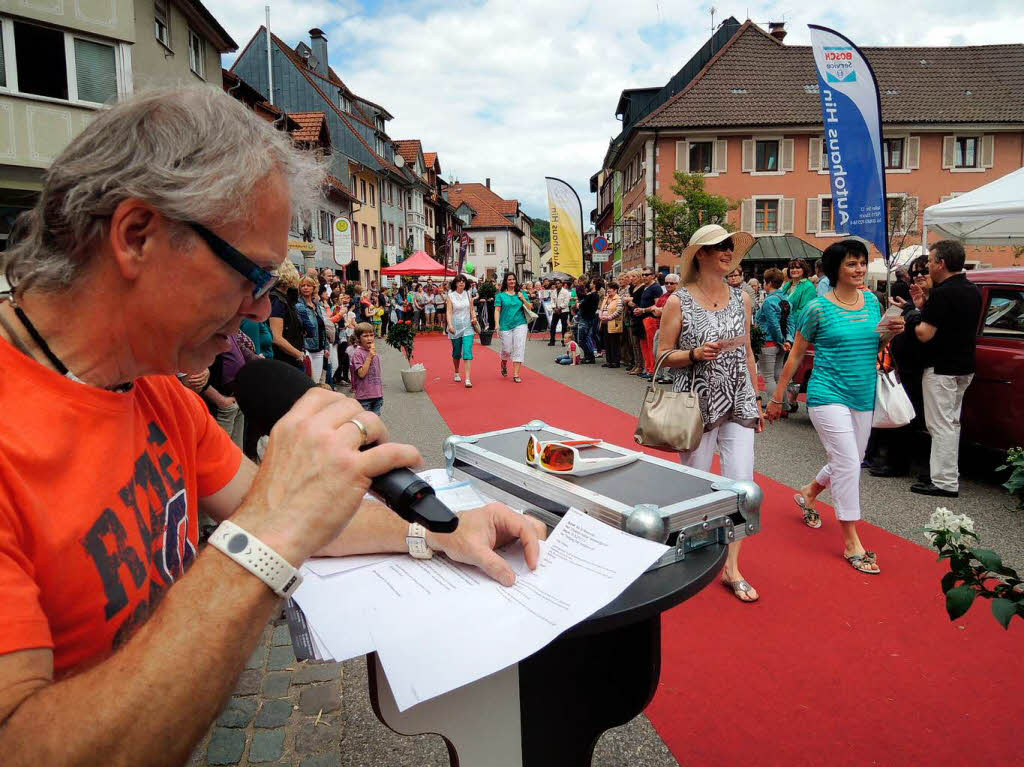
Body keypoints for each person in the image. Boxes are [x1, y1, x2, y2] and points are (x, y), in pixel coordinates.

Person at [0, 86, 547, 766]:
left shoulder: (156, 393)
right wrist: (269, 532)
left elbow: (296, 509)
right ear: (136, 235)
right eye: (253, 274)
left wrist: (436, 531)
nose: (263, 309)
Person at [765, 240, 904, 575]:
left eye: (862, 263)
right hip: (828, 394)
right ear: (835, 269)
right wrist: (776, 396)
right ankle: (852, 538)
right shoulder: (817, 308)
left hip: (863, 393)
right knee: (846, 464)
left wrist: (892, 334)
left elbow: (875, 343)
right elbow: (796, 354)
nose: (859, 270)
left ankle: (809, 492)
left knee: (850, 460)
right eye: (852, 264)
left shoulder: (872, 301)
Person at [657, 224, 762, 602]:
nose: (727, 251)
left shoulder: (742, 299)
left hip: (738, 399)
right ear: (699, 253)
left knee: (742, 483)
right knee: (696, 479)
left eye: (730, 246)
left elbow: (747, 350)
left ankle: (732, 566)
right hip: (696, 402)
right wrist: (695, 354)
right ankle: (689, 542)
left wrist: (756, 395)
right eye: (719, 246)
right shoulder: (678, 301)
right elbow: (663, 356)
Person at [905, 240, 983, 498]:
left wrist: (912, 315)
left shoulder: (944, 292)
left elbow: (925, 334)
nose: (927, 266)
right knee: (951, 423)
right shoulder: (972, 289)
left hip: (942, 368)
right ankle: (948, 476)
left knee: (940, 425)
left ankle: (944, 481)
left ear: (941, 263)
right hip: (964, 366)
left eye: (930, 261)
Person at [868, 255, 932, 478]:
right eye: (914, 274)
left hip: (921, 367)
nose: (919, 277)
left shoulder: (939, 298)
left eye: (924, 271)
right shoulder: (920, 299)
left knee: (913, 416)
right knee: (902, 412)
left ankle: (903, 463)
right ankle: (893, 460)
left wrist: (911, 312)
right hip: (903, 365)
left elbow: (926, 331)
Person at [754, 268, 793, 407]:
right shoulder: (786, 299)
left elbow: (773, 324)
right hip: (783, 343)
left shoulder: (769, 301)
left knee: (769, 377)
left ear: (768, 282)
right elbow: (790, 323)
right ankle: (785, 405)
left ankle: (775, 405)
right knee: (778, 375)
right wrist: (787, 340)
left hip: (769, 342)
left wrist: (780, 340)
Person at [494, 272, 531, 383]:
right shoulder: (500, 295)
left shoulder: (521, 294)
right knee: (507, 349)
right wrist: (497, 324)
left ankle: (516, 374)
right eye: (509, 279)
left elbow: (530, 307)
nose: (512, 281)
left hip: (520, 324)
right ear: (506, 281)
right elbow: (497, 310)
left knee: (519, 347)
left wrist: (523, 298)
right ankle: (504, 362)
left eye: (513, 279)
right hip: (505, 325)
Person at [268, 261, 306, 368]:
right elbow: (276, 337)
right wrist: (299, 355)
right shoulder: (277, 300)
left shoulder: (284, 299)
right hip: (285, 360)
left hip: (290, 358)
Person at [445, 274, 479, 388]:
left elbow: (472, 309)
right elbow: (449, 312)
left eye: (463, 281)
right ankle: (456, 371)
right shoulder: (451, 296)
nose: (461, 283)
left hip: (468, 327)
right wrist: (449, 325)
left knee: (467, 351)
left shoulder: (468, 294)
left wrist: (474, 317)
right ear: (455, 283)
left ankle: (468, 379)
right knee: (456, 352)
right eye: (459, 281)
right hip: (455, 327)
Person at [295, 275, 327, 382]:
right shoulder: (298, 306)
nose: (305, 288)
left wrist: (325, 346)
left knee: (316, 381)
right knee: (308, 380)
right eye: (303, 285)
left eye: (308, 285)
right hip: (306, 348)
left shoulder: (316, 305)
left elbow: (322, 327)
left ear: (314, 288)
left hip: (319, 348)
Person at [634, 268, 663, 380]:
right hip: (643, 319)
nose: (644, 277)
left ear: (653, 276)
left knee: (651, 346)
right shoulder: (645, 287)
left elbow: (657, 305)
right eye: (643, 275)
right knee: (644, 345)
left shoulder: (656, 288)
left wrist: (643, 310)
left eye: (647, 274)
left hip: (651, 319)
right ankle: (648, 368)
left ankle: (652, 370)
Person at [349, 322, 384, 414]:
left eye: (371, 335)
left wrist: (380, 392)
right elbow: (361, 374)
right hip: (364, 397)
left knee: (375, 424)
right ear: (358, 338)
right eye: (365, 336)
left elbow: (377, 373)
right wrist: (369, 357)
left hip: (377, 395)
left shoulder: (373, 351)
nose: (369, 338)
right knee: (366, 424)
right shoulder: (358, 353)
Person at [598, 282, 624, 368]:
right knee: (607, 342)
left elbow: (619, 311)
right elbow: (601, 309)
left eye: (610, 288)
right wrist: (600, 315)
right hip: (604, 323)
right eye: (607, 288)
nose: (608, 290)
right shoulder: (606, 298)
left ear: (615, 290)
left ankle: (615, 361)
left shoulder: (618, 299)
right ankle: (608, 361)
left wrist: (609, 317)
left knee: (614, 343)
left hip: (613, 323)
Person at [576, 282, 599, 364]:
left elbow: (585, 305)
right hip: (586, 318)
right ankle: (588, 356)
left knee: (583, 339)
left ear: (595, 285)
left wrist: (580, 305)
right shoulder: (590, 295)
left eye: (592, 283)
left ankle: (590, 356)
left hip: (586, 318)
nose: (590, 284)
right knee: (585, 338)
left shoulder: (593, 295)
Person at [549, 278, 570, 345]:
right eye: (556, 284)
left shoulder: (565, 292)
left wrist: (560, 308)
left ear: (561, 284)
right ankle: (552, 340)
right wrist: (554, 308)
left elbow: (566, 302)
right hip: (555, 311)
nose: (557, 285)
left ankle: (564, 341)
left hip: (564, 311)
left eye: (558, 283)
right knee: (552, 326)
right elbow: (552, 301)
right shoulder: (553, 292)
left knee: (564, 326)